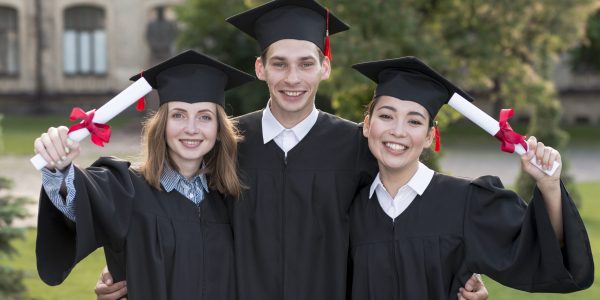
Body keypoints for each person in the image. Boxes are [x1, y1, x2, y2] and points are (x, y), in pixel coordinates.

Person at [95, 1, 489, 299]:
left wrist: (456, 271)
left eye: (305, 63)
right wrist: (131, 268)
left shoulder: (359, 146)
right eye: (280, 64)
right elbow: (172, 209)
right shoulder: (227, 142)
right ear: (260, 68)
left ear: (325, 67)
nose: (293, 78)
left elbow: (403, 215)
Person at [348, 56, 594, 299]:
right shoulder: (348, 210)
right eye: (386, 116)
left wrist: (549, 185)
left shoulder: (466, 202)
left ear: (429, 137)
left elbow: (548, 256)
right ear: (367, 125)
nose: (398, 131)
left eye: (414, 121)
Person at [34, 50, 255, 300]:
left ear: (218, 129)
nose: (191, 128)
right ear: (162, 125)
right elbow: (77, 201)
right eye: (178, 115)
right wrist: (59, 168)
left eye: (204, 117)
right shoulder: (125, 188)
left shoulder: (230, 199)